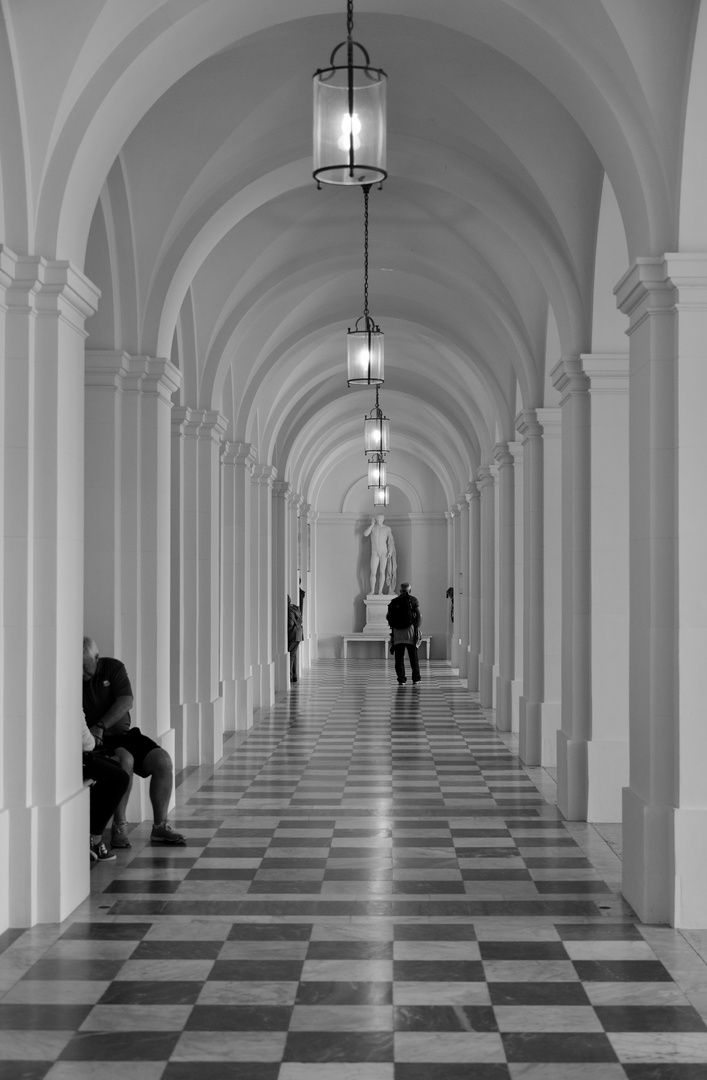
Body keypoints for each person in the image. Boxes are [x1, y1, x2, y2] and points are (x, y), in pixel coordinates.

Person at [82, 637, 185, 847]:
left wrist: (101, 725)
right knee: (125, 761)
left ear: (96, 658)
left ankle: (160, 827)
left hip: (122, 734)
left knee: (163, 761)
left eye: (85, 667)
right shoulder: (69, 676)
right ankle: (120, 827)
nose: (82, 674)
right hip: (95, 743)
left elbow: (126, 700)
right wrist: (95, 733)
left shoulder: (113, 668)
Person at [82, 721, 131, 862]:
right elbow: (88, 743)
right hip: (76, 756)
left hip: (80, 754)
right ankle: (94, 839)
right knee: (119, 778)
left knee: (115, 767)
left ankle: (92, 836)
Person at [386, 582, 422, 686]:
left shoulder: (394, 602)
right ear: (410, 591)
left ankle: (401, 679)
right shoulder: (413, 600)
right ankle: (416, 678)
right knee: (413, 657)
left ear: (400, 591)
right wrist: (417, 629)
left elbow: (388, 617)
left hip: (397, 633)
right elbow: (419, 616)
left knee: (399, 658)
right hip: (410, 633)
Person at [364, 514, 397, 594]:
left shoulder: (387, 528)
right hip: (375, 551)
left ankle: (380, 591)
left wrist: (390, 551)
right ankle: (372, 590)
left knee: (382, 571)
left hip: (384, 552)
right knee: (373, 572)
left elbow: (391, 541)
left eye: (380, 519)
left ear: (383, 519)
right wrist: (371, 525)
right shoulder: (373, 528)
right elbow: (365, 534)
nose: (379, 520)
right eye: (377, 519)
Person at [287, 594, 303, 681]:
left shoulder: (288, 610)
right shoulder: (295, 607)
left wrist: (286, 630)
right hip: (299, 633)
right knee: (293, 655)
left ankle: (289, 676)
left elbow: (290, 623)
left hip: (293, 634)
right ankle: (294, 675)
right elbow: (300, 620)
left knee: (290, 656)